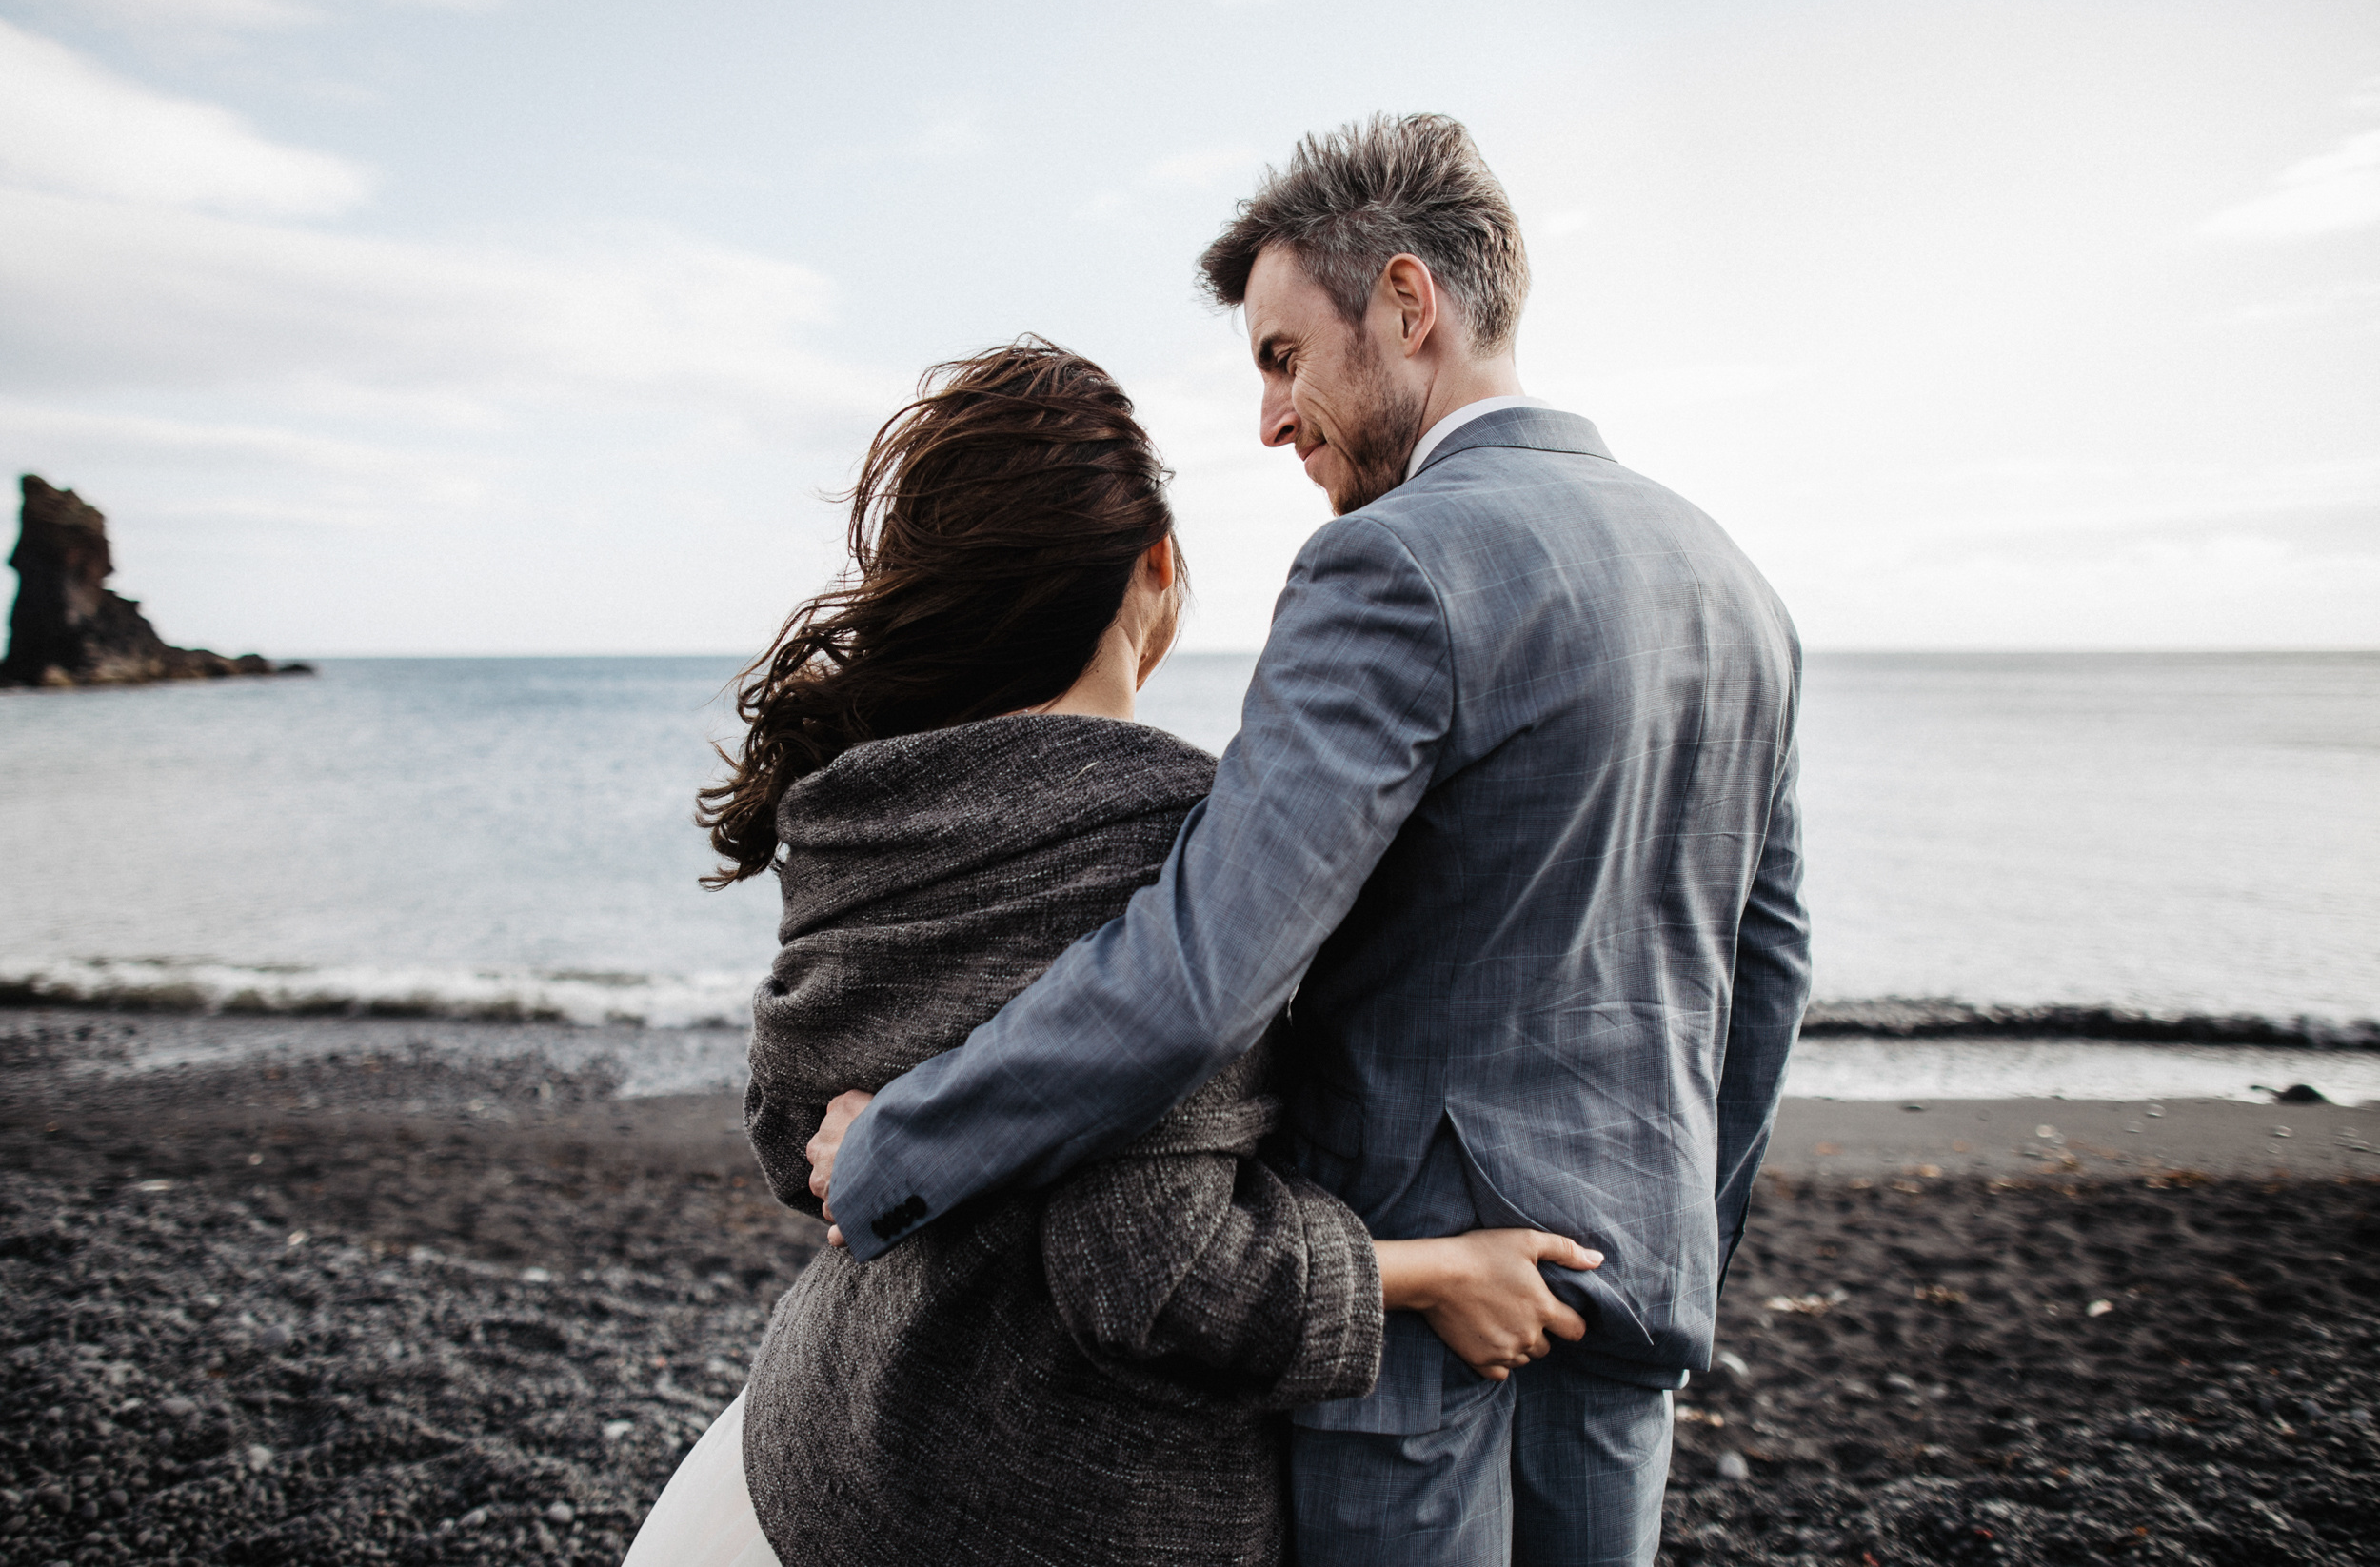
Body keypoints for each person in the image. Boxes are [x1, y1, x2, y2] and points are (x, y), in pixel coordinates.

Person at [805, 117, 1813, 1566]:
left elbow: (1203, 967)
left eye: (1284, 358)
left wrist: (904, 1141)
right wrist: (1675, 1240)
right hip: (1628, 1304)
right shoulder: (1735, 584)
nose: (1272, 421)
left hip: (1418, 1374)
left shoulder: (1392, 563)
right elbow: (1762, 979)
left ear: (1409, 305)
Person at [620, 338, 1586, 1567]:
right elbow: (1162, 1280)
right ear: (1159, 570)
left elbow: (791, 1136)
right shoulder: (1165, 845)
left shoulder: (861, 806)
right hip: (1050, 1509)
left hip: (832, 1445)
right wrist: (1440, 1273)